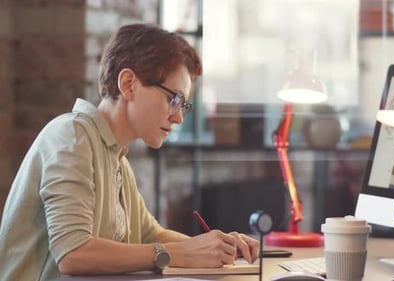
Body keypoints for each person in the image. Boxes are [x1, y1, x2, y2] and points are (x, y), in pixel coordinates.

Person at [0, 23, 259, 281]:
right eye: (174, 99)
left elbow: (150, 234)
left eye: (184, 104)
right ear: (128, 84)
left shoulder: (117, 158)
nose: (179, 117)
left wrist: (215, 248)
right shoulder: (70, 135)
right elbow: (73, 252)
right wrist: (178, 254)